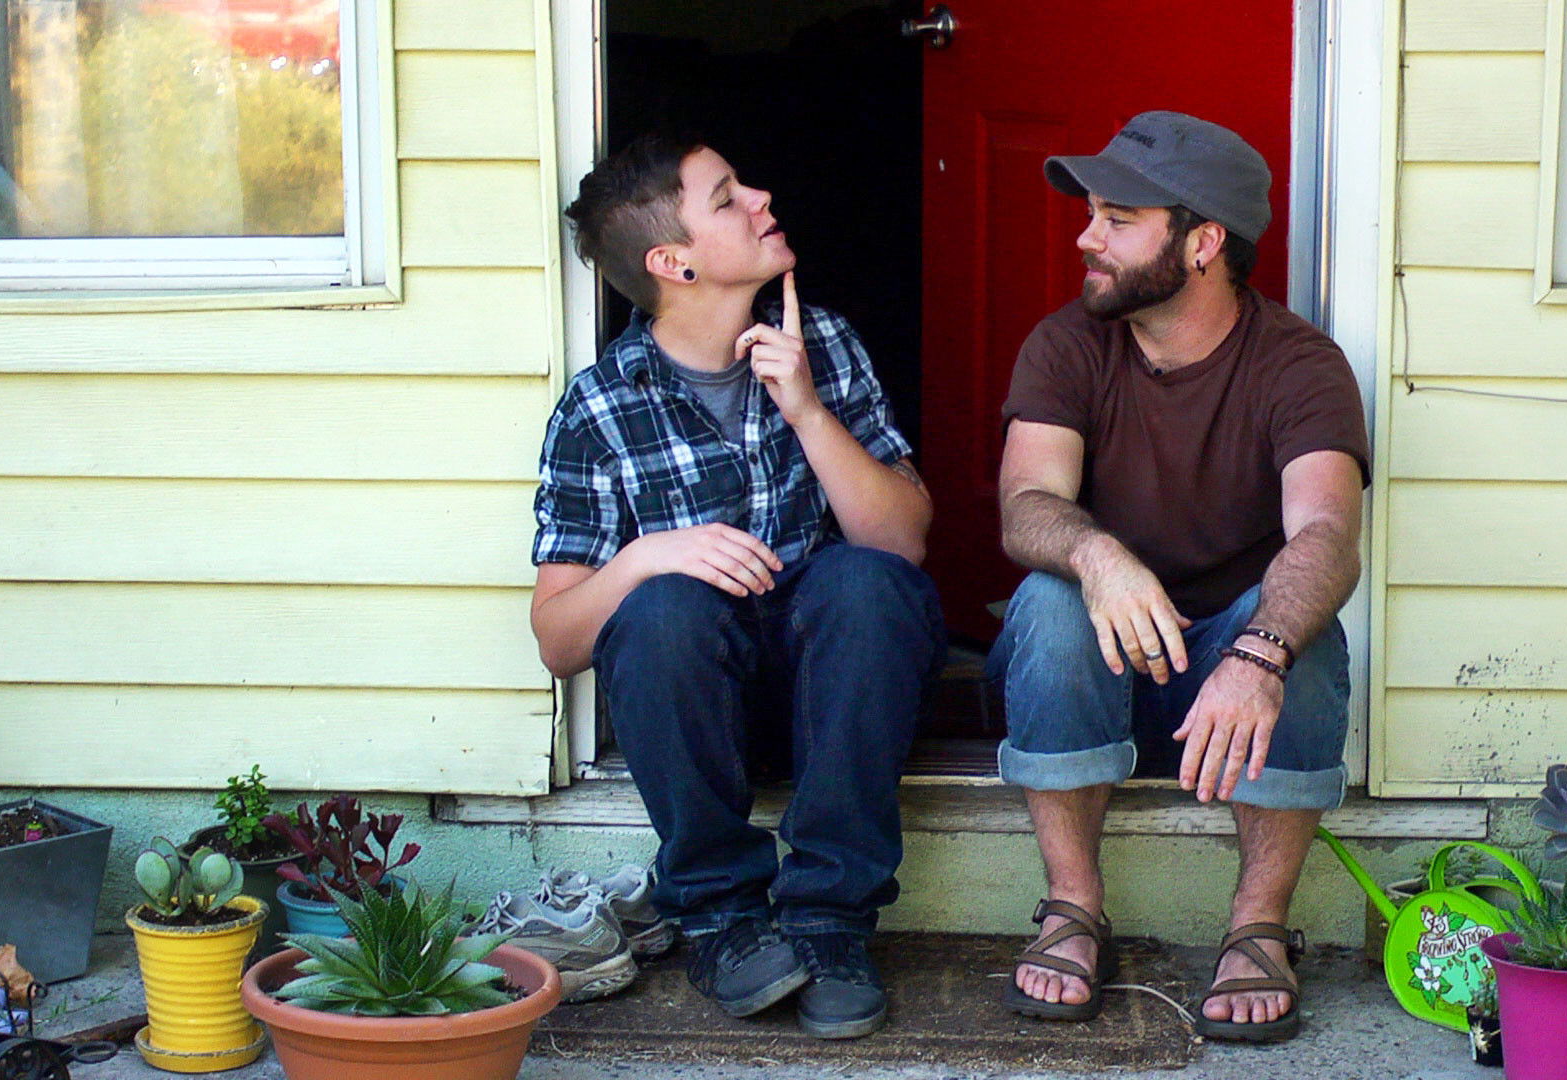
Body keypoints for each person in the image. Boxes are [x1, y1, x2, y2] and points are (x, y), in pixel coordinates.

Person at [530, 132, 945, 1040]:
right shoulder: (600, 407)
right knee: (660, 608)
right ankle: (720, 916)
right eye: (726, 197)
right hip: (698, 714)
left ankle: (830, 919)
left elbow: (902, 543)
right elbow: (558, 641)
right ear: (672, 263)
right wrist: (647, 556)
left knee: (866, 584)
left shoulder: (820, 343)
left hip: (838, 702)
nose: (760, 197)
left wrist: (807, 409)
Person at [991, 111, 1370, 1043]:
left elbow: (1327, 534)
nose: (1086, 238)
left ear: (1203, 244)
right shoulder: (1068, 343)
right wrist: (1098, 555)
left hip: (1232, 691)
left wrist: (1259, 654)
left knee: (1303, 631)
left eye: (1118, 220)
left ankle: (1258, 928)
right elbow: (1026, 505)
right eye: (1093, 214)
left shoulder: (1299, 364)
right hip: (1102, 669)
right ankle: (1073, 909)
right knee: (1049, 601)